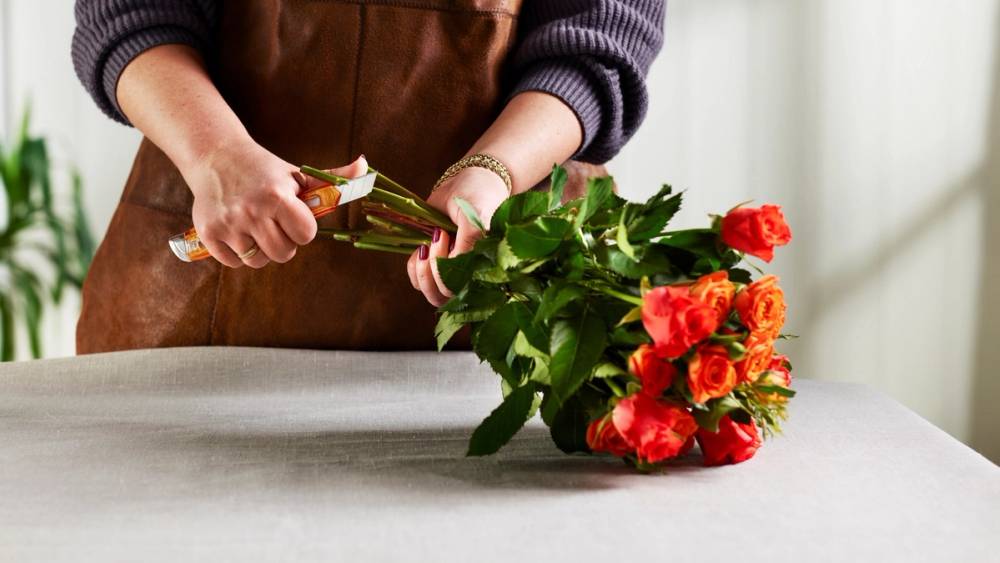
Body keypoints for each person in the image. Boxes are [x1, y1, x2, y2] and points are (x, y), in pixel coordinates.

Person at [71, 0, 666, 352]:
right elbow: (131, 13)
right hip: (199, 318)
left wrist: (492, 172)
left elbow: (601, 39)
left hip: (506, 300)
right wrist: (215, 154)